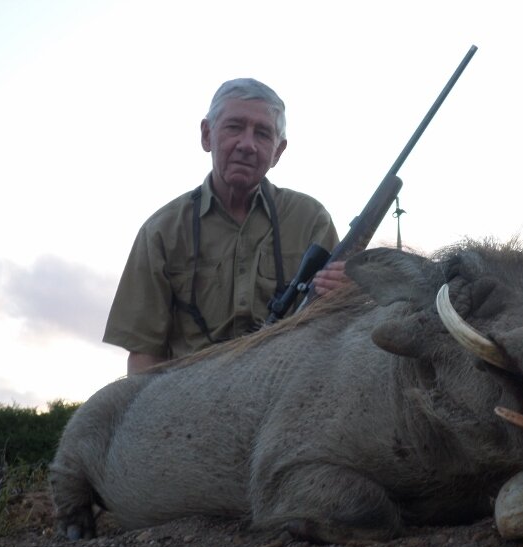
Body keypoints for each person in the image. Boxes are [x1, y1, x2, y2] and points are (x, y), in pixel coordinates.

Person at [103, 78, 346, 374]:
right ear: (207, 135)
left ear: (278, 151)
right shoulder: (161, 231)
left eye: (262, 133)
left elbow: (339, 329)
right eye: (234, 127)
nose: (247, 145)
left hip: (285, 396)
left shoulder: (311, 220)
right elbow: (144, 355)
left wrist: (347, 294)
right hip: (189, 402)